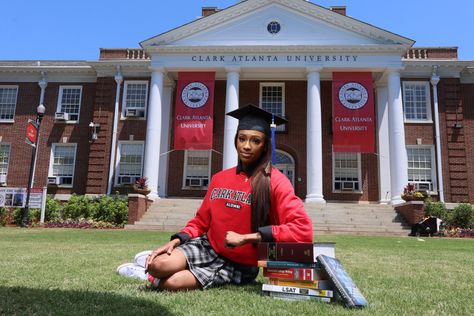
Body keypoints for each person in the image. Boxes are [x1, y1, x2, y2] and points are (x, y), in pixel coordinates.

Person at [118, 104, 313, 291]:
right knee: (159, 265)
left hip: (239, 265)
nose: (246, 146)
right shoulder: (220, 178)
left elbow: (303, 229)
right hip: (208, 247)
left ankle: (147, 273)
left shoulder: (276, 182)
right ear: (235, 140)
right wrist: (177, 240)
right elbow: (201, 221)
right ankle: (150, 266)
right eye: (242, 138)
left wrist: (248, 238)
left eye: (255, 140)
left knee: (173, 284)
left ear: (264, 146)